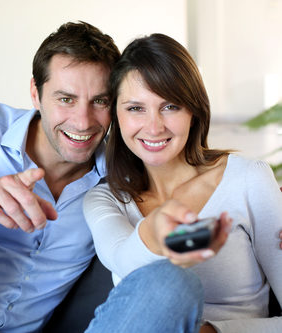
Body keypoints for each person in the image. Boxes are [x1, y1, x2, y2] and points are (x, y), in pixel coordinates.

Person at [0, 22, 209, 333]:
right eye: (66, 99)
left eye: (99, 101)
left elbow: (141, 253)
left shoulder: (119, 175)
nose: (83, 121)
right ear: (35, 93)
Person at [83, 33, 282, 332]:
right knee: (168, 280)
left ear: (193, 111)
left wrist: (211, 331)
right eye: (135, 108)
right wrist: (157, 230)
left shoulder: (248, 179)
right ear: (116, 116)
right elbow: (124, 263)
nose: (154, 127)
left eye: (170, 106)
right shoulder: (105, 198)